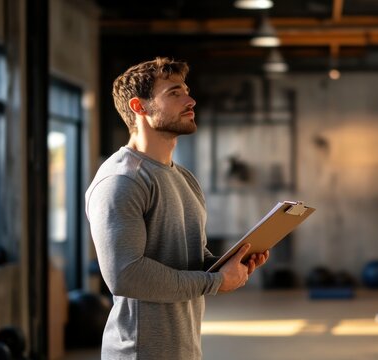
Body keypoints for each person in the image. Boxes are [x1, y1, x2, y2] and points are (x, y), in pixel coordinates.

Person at [85, 57, 269, 359]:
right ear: (139, 107)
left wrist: (230, 263)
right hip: (138, 352)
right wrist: (215, 281)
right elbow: (125, 274)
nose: (191, 100)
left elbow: (187, 257)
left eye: (186, 90)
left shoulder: (184, 178)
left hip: (183, 348)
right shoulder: (121, 180)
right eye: (174, 93)